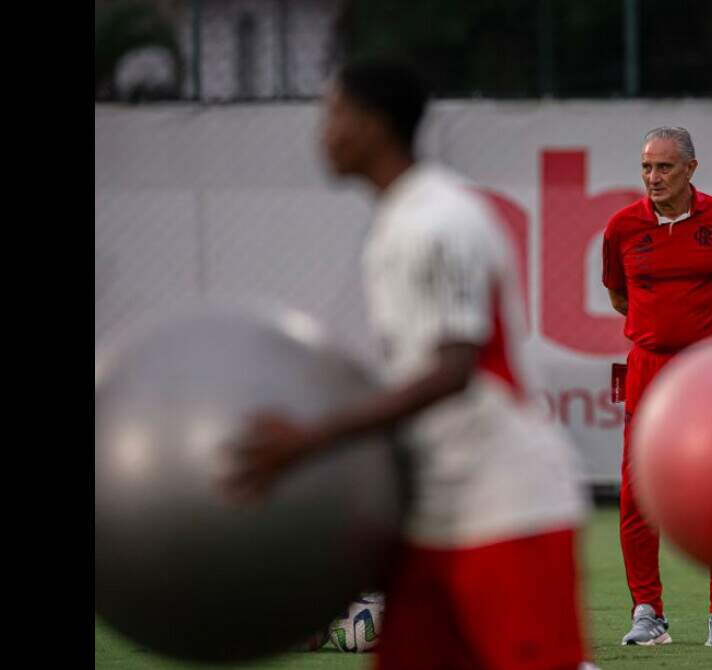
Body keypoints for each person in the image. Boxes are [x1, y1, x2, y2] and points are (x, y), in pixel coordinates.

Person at [222, 57, 591, 670]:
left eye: (333, 114)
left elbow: (453, 368)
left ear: (373, 125)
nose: (323, 133)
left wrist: (315, 439)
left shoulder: (440, 218)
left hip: (507, 504)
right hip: (434, 509)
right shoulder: (395, 222)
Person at [602, 126, 712, 647]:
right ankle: (648, 613)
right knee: (638, 490)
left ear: (691, 169)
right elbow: (621, 298)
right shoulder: (621, 228)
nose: (653, 178)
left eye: (664, 167)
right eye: (646, 167)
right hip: (647, 367)